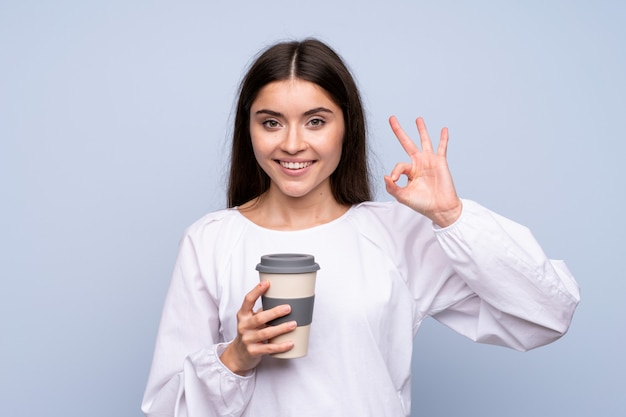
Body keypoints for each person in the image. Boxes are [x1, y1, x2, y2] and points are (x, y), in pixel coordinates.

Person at [141, 38, 580, 417]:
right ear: (249, 129)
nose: (292, 143)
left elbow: (546, 315)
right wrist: (235, 357)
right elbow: (165, 407)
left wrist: (451, 215)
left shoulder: (397, 233)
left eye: (316, 121)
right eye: (271, 122)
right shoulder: (210, 241)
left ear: (345, 128)